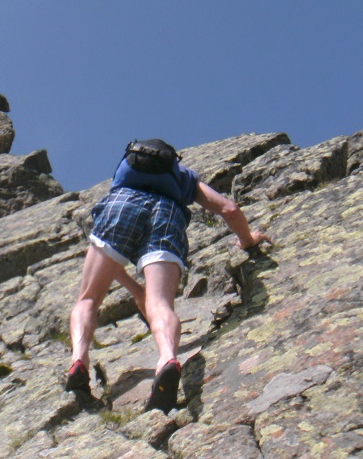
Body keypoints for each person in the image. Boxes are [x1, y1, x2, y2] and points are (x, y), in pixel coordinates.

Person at [65, 139, 272, 413]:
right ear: (173, 161)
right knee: (160, 303)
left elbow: (112, 253)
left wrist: (134, 289)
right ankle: (167, 359)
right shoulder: (185, 178)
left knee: (88, 299)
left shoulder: (125, 176)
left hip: (120, 206)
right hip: (167, 215)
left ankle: (79, 360)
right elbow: (229, 209)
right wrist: (248, 240)